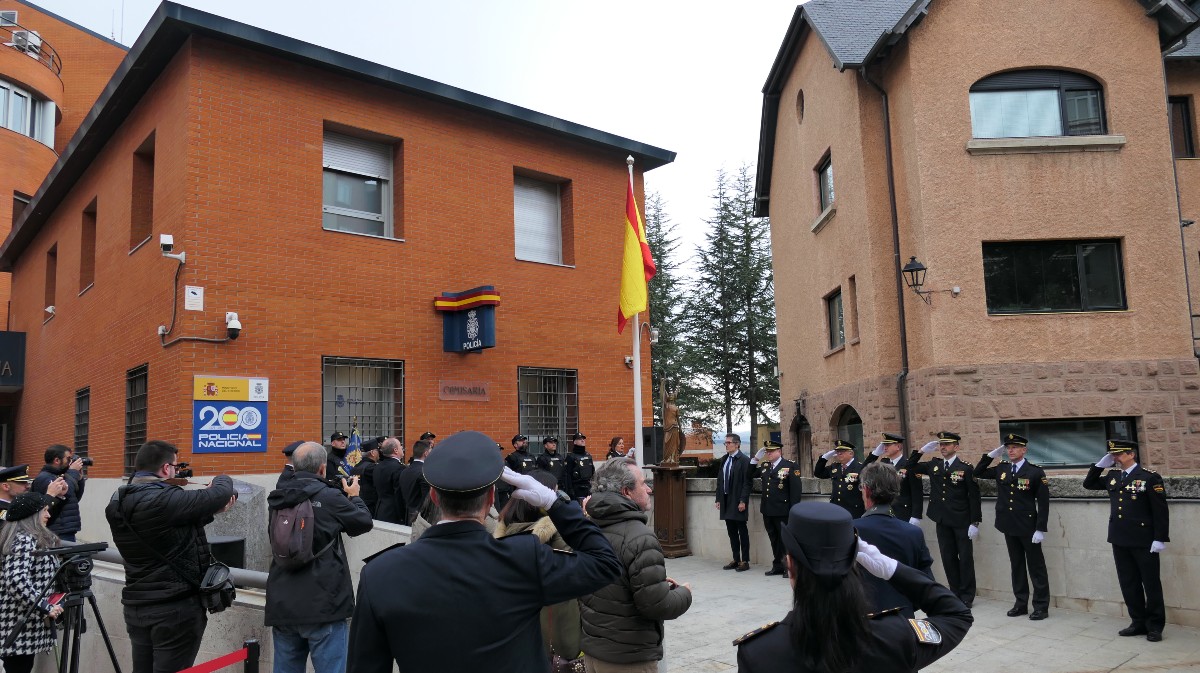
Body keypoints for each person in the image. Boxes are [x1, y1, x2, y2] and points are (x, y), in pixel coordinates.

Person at [347, 430, 621, 673]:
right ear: (492, 497)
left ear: (433, 496)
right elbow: (605, 564)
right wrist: (555, 503)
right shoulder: (524, 557)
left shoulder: (380, 574)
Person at [734, 502, 972, 673]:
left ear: (790, 568)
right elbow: (957, 614)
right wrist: (891, 568)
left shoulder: (758, 652)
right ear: (855, 566)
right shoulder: (895, 636)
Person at [105, 440, 237, 673]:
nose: (177, 471)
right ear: (166, 469)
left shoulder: (118, 501)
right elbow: (222, 491)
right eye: (175, 467)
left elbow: (165, 530)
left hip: (138, 607)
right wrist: (221, 478)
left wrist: (209, 509)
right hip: (174, 609)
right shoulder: (164, 499)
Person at [266, 442, 373, 673]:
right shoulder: (330, 496)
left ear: (294, 467)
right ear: (323, 469)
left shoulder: (277, 498)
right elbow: (363, 523)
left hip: (282, 602)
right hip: (325, 602)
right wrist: (354, 497)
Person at [581, 458, 692, 672]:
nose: (649, 489)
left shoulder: (587, 528)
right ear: (626, 492)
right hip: (628, 660)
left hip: (595, 654)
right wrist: (684, 594)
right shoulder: (639, 536)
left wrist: (653, 584)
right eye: (643, 483)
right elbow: (655, 604)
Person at [1082, 439, 1169, 642]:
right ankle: (1138, 621)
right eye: (1113, 455)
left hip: (1143, 539)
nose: (1116, 458)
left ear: (1132, 454)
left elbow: (1160, 511)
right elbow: (1088, 484)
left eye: (1119, 454)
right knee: (1128, 583)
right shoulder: (1113, 476)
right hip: (1119, 538)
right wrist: (1098, 466)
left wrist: (1160, 538)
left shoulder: (1149, 478)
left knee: (1150, 583)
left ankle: (1155, 625)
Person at [494, 469, 581, 663]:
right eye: (554, 494)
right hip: (556, 628)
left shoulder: (501, 531)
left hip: (515, 632)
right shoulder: (556, 532)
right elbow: (582, 567)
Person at [975, 433, 1051, 620]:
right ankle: (1021, 603)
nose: (1011, 451)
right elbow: (978, 472)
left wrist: (1040, 528)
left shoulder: (1035, 472)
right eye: (1008, 448)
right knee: (1016, 565)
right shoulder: (1002, 468)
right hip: (1008, 524)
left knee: (1036, 567)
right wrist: (991, 455)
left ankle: (1041, 606)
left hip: (1028, 526)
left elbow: (1043, 502)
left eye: (1015, 447)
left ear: (1024, 450)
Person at [907, 431, 982, 607]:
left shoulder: (966, 468)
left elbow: (974, 497)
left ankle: (967, 595)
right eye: (941, 444)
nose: (943, 447)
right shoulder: (934, 465)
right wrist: (921, 451)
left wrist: (974, 522)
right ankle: (954, 591)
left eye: (947, 444)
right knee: (948, 557)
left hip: (962, 520)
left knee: (965, 558)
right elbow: (910, 466)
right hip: (941, 519)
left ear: (956, 447)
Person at [853, 462, 935, 618]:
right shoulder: (913, 533)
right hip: (901, 622)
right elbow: (926, 585)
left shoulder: (850, 530)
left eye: (861, 488)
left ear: (867, 490)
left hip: (861, 622)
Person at [0, 492, 66, 673]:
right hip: (19, 622)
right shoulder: (24, 539)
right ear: (31, 516)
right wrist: (45, 606)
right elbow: (16, 580)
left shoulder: (26, 538)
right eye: (44, 510)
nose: (48, 515)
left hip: (23, 621)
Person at [756, 440, 803, 577]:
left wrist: (794, 511)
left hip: (783, 510)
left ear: (779, 451)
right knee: (774, 539)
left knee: (786, 540)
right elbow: (749, 473)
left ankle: (789, 567)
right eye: (767, 451)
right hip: (767, 509)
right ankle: (777, 565)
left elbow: (795, 491)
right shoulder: (765, 466)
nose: (768, 454)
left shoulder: (790, 466)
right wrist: (755, 458)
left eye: (771, 451)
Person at [863, 432, 923, 522]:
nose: (885, 447)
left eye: (888, 445)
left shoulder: (909, 464)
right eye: (884, 445)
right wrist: (875, 454)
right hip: (884, 511)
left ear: (898, 447)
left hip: (903, 512)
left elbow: (916, 492)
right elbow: (863, 470)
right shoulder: (883, 464)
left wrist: (916, 515)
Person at [715, 433, 753, 571]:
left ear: (737, 444)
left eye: (729, 443)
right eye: (725, 443)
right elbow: (720, 480)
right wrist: (718, 499)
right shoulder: (724, 459)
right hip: (726, 500)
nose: (726, 445)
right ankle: (736, 559)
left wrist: (743, 500)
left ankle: (745, 560)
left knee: (742, 530)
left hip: (738, 500)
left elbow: (747, 483)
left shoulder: (744, 460)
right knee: (731, 531)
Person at [32, 445, 86, 542]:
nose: (71, 462)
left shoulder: (60, 476)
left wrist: (80, 478)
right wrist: (73, 472)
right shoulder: (45, 478)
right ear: (57, 460)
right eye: (68, 459)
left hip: (66, 530)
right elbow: (64, 495)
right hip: (57, 531)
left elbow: (75, 498)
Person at [813, 440, 864, 518]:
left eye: (842, 451)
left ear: (851, 453)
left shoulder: (860, 467)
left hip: (853, 509)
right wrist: (824, 458)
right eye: (837, 451)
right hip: (836, 508)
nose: (839, 453)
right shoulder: (835, 467)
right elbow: (818, 473)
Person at [397, 439, 431, 525]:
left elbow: (399, 495)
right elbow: (426, 499)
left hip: (406, 515)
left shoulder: (404, 471)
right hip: (420, 517)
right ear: (426, 453)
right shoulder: (424, 471)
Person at [373, 438, 406, 524]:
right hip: (394, 514)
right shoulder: (399, 468)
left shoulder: (377, 466)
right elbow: (399, 494)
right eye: (400, 445)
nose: (402, 448)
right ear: (395, 450)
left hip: (379, 510)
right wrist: (403, 516)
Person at [350, 438, 381, 516]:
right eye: (377, 451)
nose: (379, 453)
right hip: (371, 507)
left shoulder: (355, 467)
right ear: (373, 453)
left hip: (357, 505)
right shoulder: (371, 468)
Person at [564, 432, 596, 503]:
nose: (582, 440)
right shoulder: (571, 457)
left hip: (588, 487)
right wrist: (570, 490)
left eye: (583, 439)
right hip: (577, 488)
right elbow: (567, 475)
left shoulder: (588, 456)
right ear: (575, 442)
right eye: (580, 439)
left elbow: (593, 472)